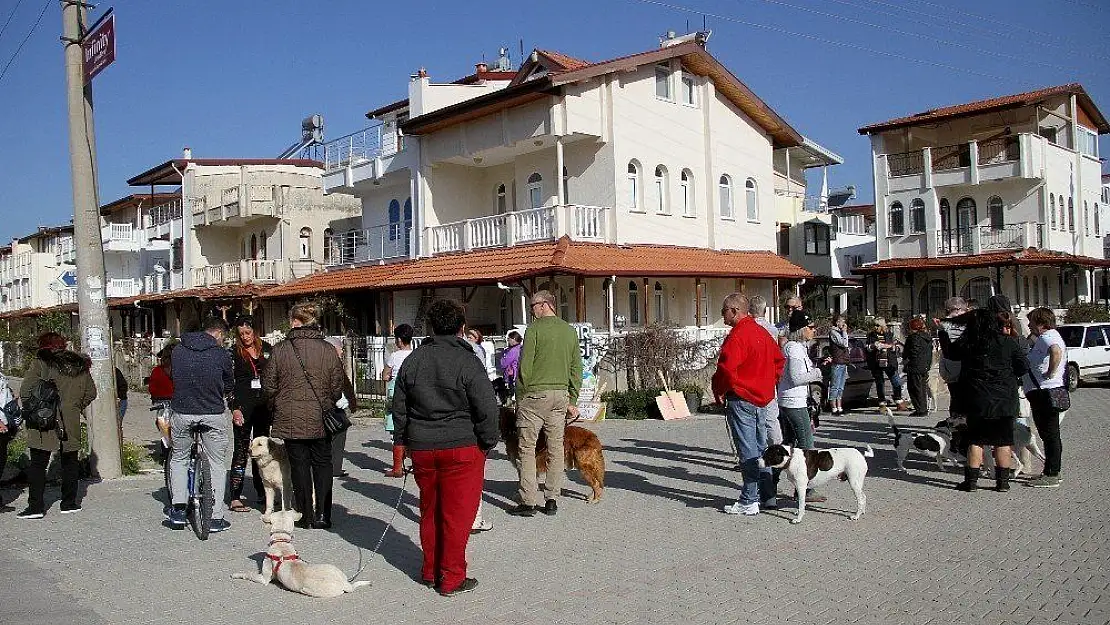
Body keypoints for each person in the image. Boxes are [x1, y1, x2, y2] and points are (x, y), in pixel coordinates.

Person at [391, 298, 499, 596]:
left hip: (423, 447)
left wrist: (401, 444)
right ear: (462, 328)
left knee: (430, 510)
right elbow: (487, 407)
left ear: (431, 326)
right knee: (457, 516)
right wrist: (488, 441)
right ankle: (451, 577)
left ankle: (430, 569)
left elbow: (398, 409)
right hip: (462, 446)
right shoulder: (467, 360)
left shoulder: (413, 360)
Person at [263, 303, 345, 530]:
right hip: (321, 416)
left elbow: (268, 385)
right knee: (323, 464)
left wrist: (276, 404)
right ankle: (323, 515)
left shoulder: (280, 350)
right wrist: (327, 400)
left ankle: (305, 515)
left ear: (295, 322)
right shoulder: (328, 350)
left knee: (298, 466)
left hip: (291, 417)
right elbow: (337, 386)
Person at [508, 289, 583, 517]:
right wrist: (573, 396)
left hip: (535, 396)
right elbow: (575, 367)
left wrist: (519, 396)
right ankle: (552, 498)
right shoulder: (569, 331)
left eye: (533, 306)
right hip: (560, 395)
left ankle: (528, 500)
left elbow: (525, 367)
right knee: (555, 447)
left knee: (527, 448)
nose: (532, 311)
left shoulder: (534, 330)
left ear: (544, 305)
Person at [943, 304, 1028, 492]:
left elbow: (951, 353)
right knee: (1003, 441)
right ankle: (1003, 483)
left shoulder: (970, 342)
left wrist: (944, 331)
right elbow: (1023, 367)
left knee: (976, 440)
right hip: (1005, 399)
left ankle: (971, 483)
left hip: (978, 399)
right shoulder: (1008, 342)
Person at [713, 293, 784, 516]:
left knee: (748, 450)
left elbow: (726, 369)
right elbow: (778, 362)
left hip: (742, 398)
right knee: (761, 448)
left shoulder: (738, 336)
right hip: (761, 398)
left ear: (734, 311)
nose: (722, 315)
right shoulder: (762, 333)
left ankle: (749, 499)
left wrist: (720, 391)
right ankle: (767, 495)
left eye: (724, 310)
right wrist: (768, 384)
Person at [16, 333, 96, 519]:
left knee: (38, 463)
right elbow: (91, 392)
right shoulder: (80, 365)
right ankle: (69, 504)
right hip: (70, 419)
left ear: (43, 346)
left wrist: (38, 408)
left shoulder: (41, 363)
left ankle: (35, 507)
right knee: (70, 462)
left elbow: (26, 392)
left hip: (45, 419)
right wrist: (74, 406)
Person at [166, 317, 234, 531]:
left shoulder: (178, 350)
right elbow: (229, 382)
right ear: (219, 334)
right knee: (216, 462)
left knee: (179, 457)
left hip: (183, 412)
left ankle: (177, 509)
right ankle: (215, 517)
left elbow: (172, 376)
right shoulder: (220, 354)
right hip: (213, 413)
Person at [227, 317, 273, 513]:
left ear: (255, 331)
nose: (245, 337)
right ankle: (235, 495)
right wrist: (233, 407)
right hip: (243, 407)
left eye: (248, 332)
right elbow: (228, 382)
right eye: (241, 334)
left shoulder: (268, 349)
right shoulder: (233, 353)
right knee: (241, 450)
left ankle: (263, 492)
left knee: (263, 450)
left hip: (264, 407)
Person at [1023, 307, 1066, 488]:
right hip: (1044, 392)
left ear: (1040, 322)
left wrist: (1051, 371)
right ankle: (1050, 469)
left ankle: (1052, 473)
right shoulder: (1046, 336)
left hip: (1046, 392)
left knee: (1050, 435)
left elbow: (1056, 351)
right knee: (1048, 434)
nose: (1029, 324)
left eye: (1031, 321)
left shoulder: (1048, 337)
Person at [778, 310, 823, 452]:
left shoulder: (798, 347)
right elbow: (796, 378)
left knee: (789, 443)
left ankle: (772, 472)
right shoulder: (794, 349)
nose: (813, 330)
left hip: (791, 400)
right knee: (807, 444)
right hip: (794, 402)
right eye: (810, 327)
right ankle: (804, 473)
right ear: (801, 329)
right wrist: (818, 372)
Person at [748, 295, 783, 446]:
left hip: (751, 377)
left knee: (751, 420)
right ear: (765, 309)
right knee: (771, 418)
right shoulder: (772, 329)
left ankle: (755, 451)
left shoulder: (747, 328)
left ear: (750, 310)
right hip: (768, 377)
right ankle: (777, 448)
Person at [382, 324, 415, 478]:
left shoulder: (395, 356)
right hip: (414, 395)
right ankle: (416, 463)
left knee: (397, 430)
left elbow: (385, 375)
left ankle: (397, 468)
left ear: (399, 340)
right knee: (413, 427)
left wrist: (389, 376)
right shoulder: (415, 355)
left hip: (397, 396)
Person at [324, 336, 358, 478]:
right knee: (337, 435)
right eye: (341, 349)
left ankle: (333, 467)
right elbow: (339, 385)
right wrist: (345, 402)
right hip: (334, 405)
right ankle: (334, 468)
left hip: (333, 404)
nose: (343, 352)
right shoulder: (331, 363)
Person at [866, 318, 908, 410]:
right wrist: (874, 346)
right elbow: (867, 348)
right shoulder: (871, 335)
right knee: (880, 382)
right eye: (874, 325)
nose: (875, 327)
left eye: (877, 325)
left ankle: (899, 401)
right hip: (876, 362)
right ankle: (882, 404)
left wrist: (893, 348)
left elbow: (897, 347)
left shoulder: (889, 334)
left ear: (882, 326)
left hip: (890, 361)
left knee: (896, 381)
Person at [902, 317, 934, 417]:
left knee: (914, 388)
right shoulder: (927, 337)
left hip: (914, 366)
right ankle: (923, 409)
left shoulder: (913, 338)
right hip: (924, 366)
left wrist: (907, 360)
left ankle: (920, 410)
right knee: (921, 388)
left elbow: (911, 352)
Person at [827, 314, 851, 416]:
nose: (844, 324)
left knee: (841, 386)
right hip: (837, 362)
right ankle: (833, 407)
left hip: (843, 361)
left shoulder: (840, 332)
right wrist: (844, 332)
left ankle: (839, 407)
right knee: (835, 386)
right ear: (837, 322)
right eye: (842, 321)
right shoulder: (833, 332)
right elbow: (844, 343)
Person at [499, 330, 523, 396]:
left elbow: (503, 363)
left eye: (509, 339)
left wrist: (503, 354)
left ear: (514, 339)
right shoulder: (520, 348)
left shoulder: (513, 350)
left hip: (513, 376)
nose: (508, 341)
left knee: (513, 394)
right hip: (519, 374)